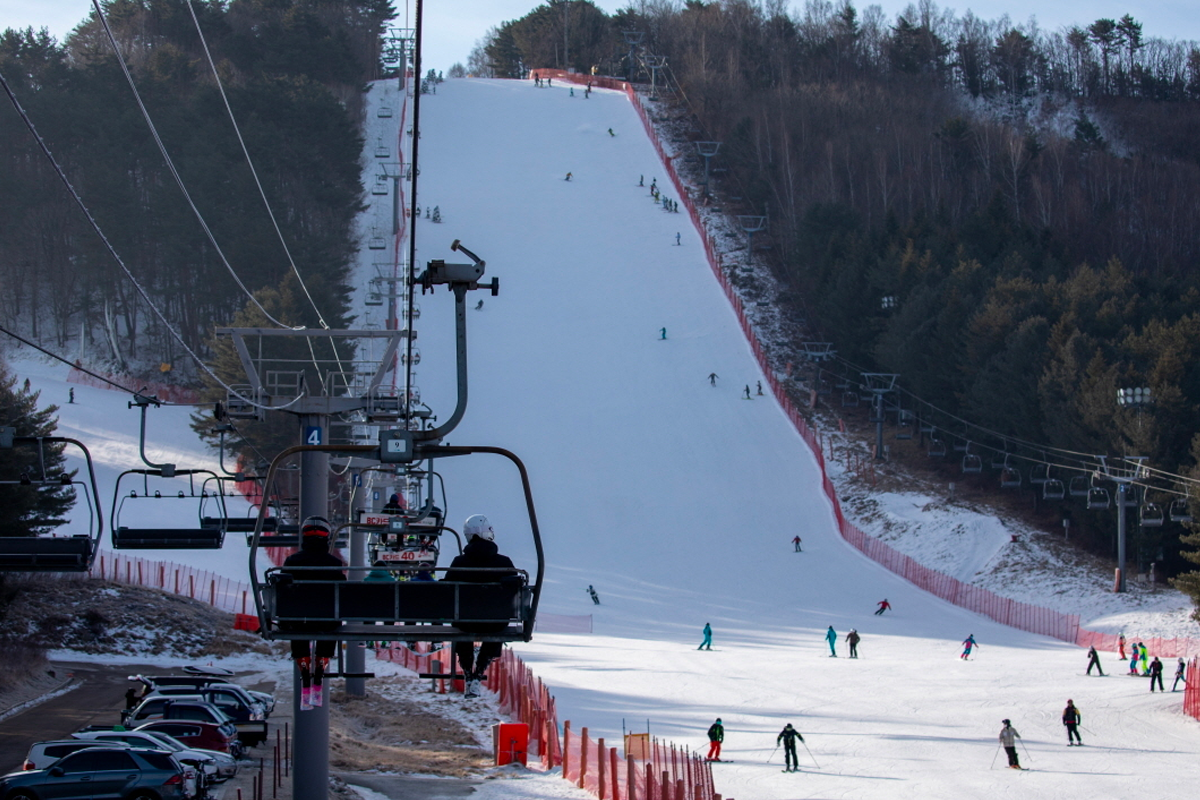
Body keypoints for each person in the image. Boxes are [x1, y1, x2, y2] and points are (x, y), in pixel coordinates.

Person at [443, 514, 519, 698]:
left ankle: (469, 672)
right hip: (495, 622)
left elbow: (446, 589)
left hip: (465, 622)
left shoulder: (459, 563)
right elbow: (516, 589)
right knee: (494, 625)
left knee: (464, 624)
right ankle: (479, 670)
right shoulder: (504, 563)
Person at [280, 516, 347, 710]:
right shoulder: (334, 563)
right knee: (329, 623)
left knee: (297, 625)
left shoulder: (293, 561)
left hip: (298, 621)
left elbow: (282, 590)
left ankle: (304, 672)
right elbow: (341, 590)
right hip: (326, 620)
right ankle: (319, 670)